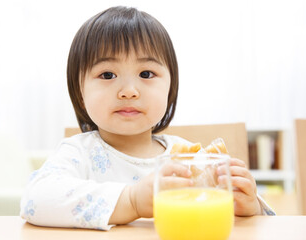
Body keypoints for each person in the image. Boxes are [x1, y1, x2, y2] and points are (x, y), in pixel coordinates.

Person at [20, 6, 275, 230]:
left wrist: (250, 207)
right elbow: (35, 201)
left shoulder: (185, 157)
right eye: (107, 75)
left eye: (146, 73)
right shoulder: (79, 154)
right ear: (79, 91)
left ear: (170, 87)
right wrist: (132, 200)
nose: (129, 91)